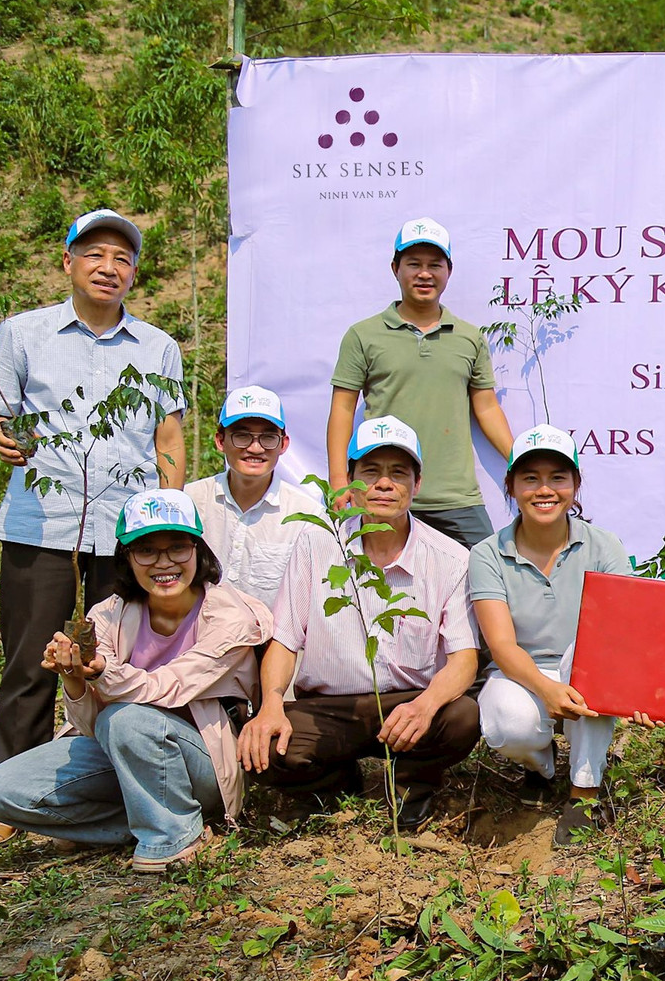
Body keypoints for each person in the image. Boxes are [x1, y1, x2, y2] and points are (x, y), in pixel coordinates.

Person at [0, 209, 186, 847]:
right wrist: (2, 439)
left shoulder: (158, 348)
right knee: (32, 662)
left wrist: (165, 518)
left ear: (133, 274)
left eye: (122, 259)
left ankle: (104, 786)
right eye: (94, 254)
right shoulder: (23, 333)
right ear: (68, 263)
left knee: (111, 660)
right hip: (43, 523)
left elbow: (168, 436)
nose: (109, 267)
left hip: (123, 532)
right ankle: (8, 800)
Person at [0, 489, 271, 871]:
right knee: (0, 792)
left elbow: (166, 687)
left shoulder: (230, 616)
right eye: (146, 551)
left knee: (127, 717)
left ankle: (175, 836)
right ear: (127, 558)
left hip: (202, 759)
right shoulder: (108, 615)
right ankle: (144, 821)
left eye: (178, 548)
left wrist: (102, 671)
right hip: (121, 750)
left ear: (199, 551)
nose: (164, 563)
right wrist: (76, 680)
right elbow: (89, 725)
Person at [239, 416, 482, 831]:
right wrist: (271, 705)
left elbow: (463, 658)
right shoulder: (317, 543)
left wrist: (425, 705)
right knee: (265, 747)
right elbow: (283, 640)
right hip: (331, 708)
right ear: (350, 482)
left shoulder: (451, 558)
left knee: (462, 717)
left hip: (408, 704)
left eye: (398, 473)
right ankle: (334, 783)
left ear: (416, 485)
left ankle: (411, 783)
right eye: (370, 471)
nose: (384, 484)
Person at [472, 424, 655, 847]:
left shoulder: (604, 546)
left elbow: (622, 633)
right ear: (511, 486)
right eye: (530, 477)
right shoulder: (486, 554)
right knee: (505, 725)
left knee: (589, 658)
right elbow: (501, 645)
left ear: (575, 484)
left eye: (558, 477)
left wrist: (636, 693)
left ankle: (584, 792)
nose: (544, 489)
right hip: (520, 669)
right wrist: (546, 689)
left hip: (585, 666)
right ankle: (539, 767)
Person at [328, 217, 514, 549]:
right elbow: (343, 408)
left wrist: (519, 460)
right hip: (381, 493)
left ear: (448, 271)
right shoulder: (363, 335)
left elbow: (486, 407)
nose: (424, 273)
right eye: (414, 263)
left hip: (455, 496)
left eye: (434, 264)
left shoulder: (469, 338)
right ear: (395, 268)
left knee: (486, 580)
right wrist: (339, 481)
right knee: (373, 587)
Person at [183, 386, 324, 608]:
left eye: (268, 437)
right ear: (220, 441)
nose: (255, 448)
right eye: (242, 436)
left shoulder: (307, 516)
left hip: (270, 640)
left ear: (283, 444)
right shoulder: (188, 501)